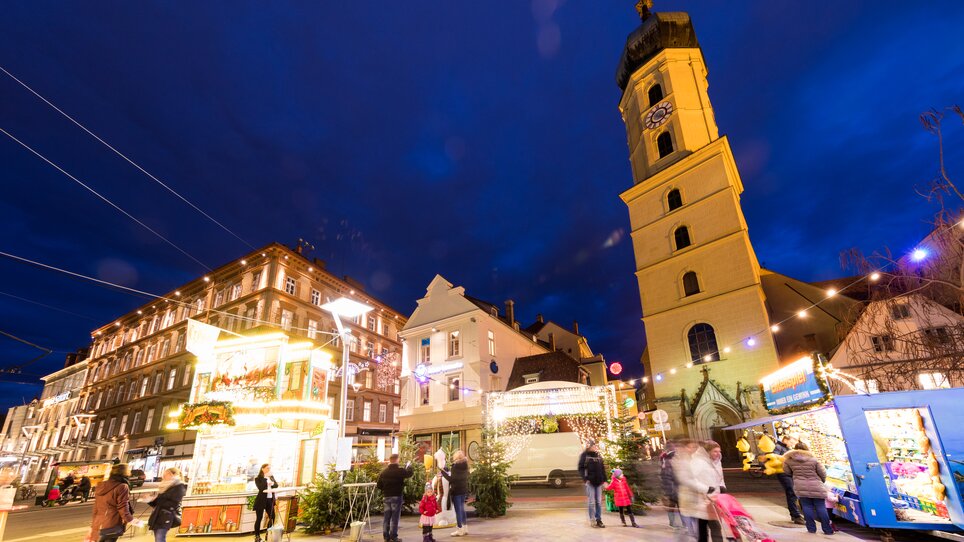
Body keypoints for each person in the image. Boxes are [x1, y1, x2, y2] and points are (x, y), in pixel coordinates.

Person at [678, 441, 725, 542]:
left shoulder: (717, 461)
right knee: (710, 527)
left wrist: (722, 485)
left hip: (714, 500)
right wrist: (705, 488)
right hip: (702, 500)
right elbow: (689, 479)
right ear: (707, 451)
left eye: (719, 451)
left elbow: (720, 477)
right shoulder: (698, 462)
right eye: (715, 451)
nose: (718, 454)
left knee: (709, 527)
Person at [783, 443, 834, 536]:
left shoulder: (788, 461)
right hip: (816, 486)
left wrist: (796, 476)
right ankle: (827, 529)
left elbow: (787, 472)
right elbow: (823, 473)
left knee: (806, 507)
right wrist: (821, 481)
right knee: (821, 507)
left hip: (800, 486)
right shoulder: (814, 460)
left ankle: (811, 529)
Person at [88, 463, 134, 542]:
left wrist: (93, 526)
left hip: (98, 524)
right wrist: (131, 520)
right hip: (112, 524)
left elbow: (96, 508)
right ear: (125, 472)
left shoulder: (100, 485)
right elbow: (122, 507)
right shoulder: (122, 486)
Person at [377, 454, 414, 542]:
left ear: (390, 460)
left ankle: (386, 537)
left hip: (386, 496)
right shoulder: (400, 471)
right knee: (395, 518)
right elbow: (409, 473)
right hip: (397, 496)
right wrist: (409, 466)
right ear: (397, 460)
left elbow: (379, 485)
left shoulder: (384, 472)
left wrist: (386, 489)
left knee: (386, 517)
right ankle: (394, 536)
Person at [773, 434, 806, 525]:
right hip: (783, 473)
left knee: (793, 493)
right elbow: (774, 458)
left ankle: (796, 514)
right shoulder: (778, 447)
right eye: (792, 441)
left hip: (789, 473)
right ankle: (796, 515)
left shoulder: (786, 448)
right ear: (785, 440)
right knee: (791, 492)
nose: (793, 443)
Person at [148, 467, 187, 542]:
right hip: (158, 515)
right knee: (158, 538)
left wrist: (158, 500)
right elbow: (156, 504)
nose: (164, 476)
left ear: (173, 474)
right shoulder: (164, 486)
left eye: (166, 474)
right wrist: (150, 500)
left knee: (160, 538)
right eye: (164, 474)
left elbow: (173, 503)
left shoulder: (179, 486)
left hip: (167, 516)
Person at [438, 450, 470, 537]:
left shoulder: (455, 466)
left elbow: (451, 479)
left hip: (456, 490)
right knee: (462, 509)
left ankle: (459, 529)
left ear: (455, 457)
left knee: (458, 511)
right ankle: (465, 528)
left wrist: (442, 472)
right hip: (463, 489)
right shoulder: (465, 465)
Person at [577, 439, 607, 528]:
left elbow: (602, 468)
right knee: (591, 503)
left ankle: (599, 520)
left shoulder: (598, 455)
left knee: (598, 502)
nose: (595, 447)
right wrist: (585, 479)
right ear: (589, 446)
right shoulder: (584, 455)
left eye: (595, 445)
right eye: (593, 446)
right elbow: (581, 468)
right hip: (590, 482)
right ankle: (592, 520)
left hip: (599, 482)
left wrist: (604, 480)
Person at [253, 464, 278, 542]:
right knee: (259, 518)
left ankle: (268, 533)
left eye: (269, 468)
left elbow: (276, 485)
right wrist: (265, 479)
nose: (269, 469)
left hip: (270, 500)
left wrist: (272, 483)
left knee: (272, 517)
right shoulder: (258, 478)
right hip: (261, 500)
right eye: (267, 468)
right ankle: (257, 536)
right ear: (262, 469)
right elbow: (261, 488)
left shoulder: (271, 477)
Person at [659, 441, 681, 529]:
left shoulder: (664, 458)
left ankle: (674, 522)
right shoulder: (668, 459)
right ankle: (674, 522)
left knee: (673, 505)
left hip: (673, 487)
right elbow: (667, 476)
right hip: (673, 487)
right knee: (673, 505)